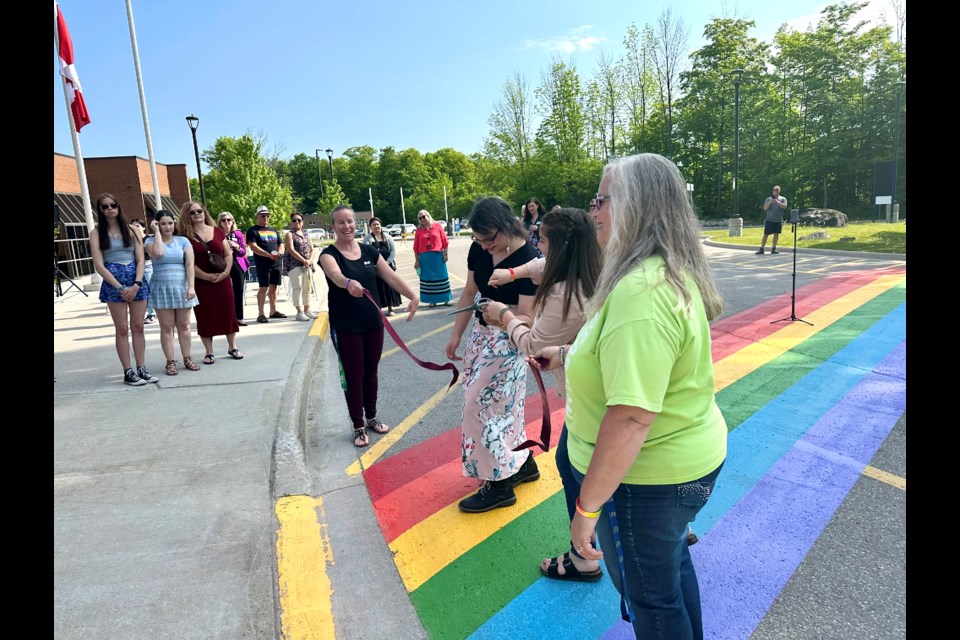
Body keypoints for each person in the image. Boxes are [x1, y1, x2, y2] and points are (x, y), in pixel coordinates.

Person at [531, 153, 727, 639]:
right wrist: (567, 355)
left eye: (601, 199)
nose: (593, 210)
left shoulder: (640, 290)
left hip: (646, 480)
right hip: (672, 467)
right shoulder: (653, 272)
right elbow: (622, 355)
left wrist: (586, 509)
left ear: (635, 205)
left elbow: (631, 416)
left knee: (653, 602)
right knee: (669, 576)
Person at [483, 207, 602, 579]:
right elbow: (539, 265)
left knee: (574, 467)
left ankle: (583, 555)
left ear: (560, 247)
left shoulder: (565, 293)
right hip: (601, 389)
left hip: (591, 398)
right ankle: (675, 530)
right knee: (580, 464)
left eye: (544, 241)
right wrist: (513, 272)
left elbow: (534, 344)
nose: (539, 248)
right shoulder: (593, 267)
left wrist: (504, 316)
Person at [444, 196, 540, 513]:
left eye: (489, 239)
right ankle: (522, 463)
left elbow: (527, 315)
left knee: (479, 407)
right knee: (500, 407)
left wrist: (499, 313)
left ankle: (499, 485)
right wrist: (457, 335)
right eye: (479, 240)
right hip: (481, 335)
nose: (484, 246)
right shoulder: (479, 249)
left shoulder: (529, 257)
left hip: (510, 339)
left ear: (505, 226)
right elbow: (470, 292)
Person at [319, 205, 420, 448]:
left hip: (373, 322)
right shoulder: (328, 254)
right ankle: (358, 426)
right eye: (341, 222)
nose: (347, 226)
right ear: (333, 227)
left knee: (371, 370)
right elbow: (334, 275)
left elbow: (390, 276)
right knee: (354, 375)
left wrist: (412, 296)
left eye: (350, 221)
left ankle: (372, 417)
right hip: (346, 325)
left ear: (357, 224)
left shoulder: (369, 251)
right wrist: (347, 282)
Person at [89, 193, 157, 386]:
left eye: (113, 205)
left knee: (138, 326)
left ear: (119, 207)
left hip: (135, 280)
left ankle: (142, 367)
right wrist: (119, 287)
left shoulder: (133, 230)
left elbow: (141, 259)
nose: (110, 208)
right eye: (105, 206)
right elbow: (99, 265)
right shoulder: (96, 233)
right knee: (121, 329)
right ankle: (128, 371)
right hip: (113, 282)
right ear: (100, 210)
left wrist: (136, 284)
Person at [179, 201, 243, 363]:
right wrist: (205, 276)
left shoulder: (217, 231)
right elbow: (188, 262)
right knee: (205, 315)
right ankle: (209, 352)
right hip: (202, 282)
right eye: (192, 212)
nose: (196, 214)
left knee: (228, 311)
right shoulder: (185, 236)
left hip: (222, 279)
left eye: (199, 211)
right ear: (187, 216)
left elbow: (227, 254)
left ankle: (232, 346)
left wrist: (226, 272)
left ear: (204, 212)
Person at [145, 210, 201, 375]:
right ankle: (170, 362)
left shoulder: (183, 241)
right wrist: (156, 233)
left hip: (181, 286)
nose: (167, 227)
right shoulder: (150, 240)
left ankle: (187, 358)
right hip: (161, 286)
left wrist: (191, 286)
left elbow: (190, 265)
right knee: (167, 327)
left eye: (170, 223)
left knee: (184, 326)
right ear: (157, 224)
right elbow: (158, 253)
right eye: (163, 223)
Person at [246, 205, 287, 323]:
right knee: (263, 287)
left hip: (276, 263)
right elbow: (253, 246)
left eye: (268, 215)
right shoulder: (252, 230)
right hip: (263, 263)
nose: (266, 218)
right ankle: (261, 313)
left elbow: (281, 244)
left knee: (274, 287)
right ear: (257, 216)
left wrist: (279, 253)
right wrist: (268, 255)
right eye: (263, 215)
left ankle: (273, 311)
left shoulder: (274, 230)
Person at [283, 212, 320, 322]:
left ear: (302, 222)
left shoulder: (306, 234)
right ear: (291, 222)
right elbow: (290, 249)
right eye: (294, 220)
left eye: (299, 220)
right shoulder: (289, 234)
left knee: (307, 288)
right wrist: (303, 260)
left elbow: (312, 249)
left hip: (307, 265)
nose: (297, 222)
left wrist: (309, 260)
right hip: (294, 265)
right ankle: (299, 312)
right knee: (297, 288)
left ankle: (307, 309)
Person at [363, 217, 402, 316]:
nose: (376, 226)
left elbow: (393, 251)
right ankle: (378, 309)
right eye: (374, 225)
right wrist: (374, 265)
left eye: (378, 224)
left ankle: (390, 308)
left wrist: (387, 262)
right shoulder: (368, 239)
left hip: (388, 266)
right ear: (370, 227)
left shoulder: (387, 237)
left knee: (389, 287)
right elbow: (365, 253)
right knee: (377, 288)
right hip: (375, 267)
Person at [413, 210, 452, 306]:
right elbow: (415, 247)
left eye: (423, 217)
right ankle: (431, 300)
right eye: (420, 218)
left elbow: (445, 241)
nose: (422, 219)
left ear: (428, 216)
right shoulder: (419, 230)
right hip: (425, 258)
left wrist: (446, 254)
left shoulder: (437, 226)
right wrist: (417, 260)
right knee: (428, 279)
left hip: (438, 256)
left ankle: (446, 298)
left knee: (442, 276)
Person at [218, 211, 250, 326]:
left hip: (237, 263)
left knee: (238, 290)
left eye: (229, 220)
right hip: (223, 264)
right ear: (220, 222)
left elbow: (243, 251)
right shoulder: (217, 234)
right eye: (223, 220)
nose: (227, 222)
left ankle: (239, 317)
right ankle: (226, 317)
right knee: (224, 291)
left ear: (232, 221)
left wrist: (235, 245)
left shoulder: (238, 234)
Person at [130, 217, 157, 325]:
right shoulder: (131, 241)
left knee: (149, 289)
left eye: (137, 226)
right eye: (133, 226)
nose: (135, 228)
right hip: (135, 267)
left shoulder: (148, 239)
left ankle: (152, 313)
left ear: (143, 228)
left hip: (148, 265)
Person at [757, 185, 788, 255]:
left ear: (779, 191)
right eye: (774, 190)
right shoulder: (768, 199)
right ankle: (761, 248)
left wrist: (777, 202)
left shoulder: (783, 199)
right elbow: (765, 208)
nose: (775, 191)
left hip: (778, 220)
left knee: (776, 234)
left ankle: (774, 248)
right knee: (766, 234)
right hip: (769, 220)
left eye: (777, 190)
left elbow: (785, 206)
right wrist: (770, 201)